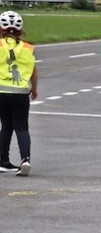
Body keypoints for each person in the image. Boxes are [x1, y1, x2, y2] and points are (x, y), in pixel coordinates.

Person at [0, 10, 37, 176]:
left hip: (1, 92)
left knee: (6, 127)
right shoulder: (28, 47)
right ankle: (25, 159)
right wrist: (34, 89)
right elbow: (34, 72)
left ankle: (3, 161)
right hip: (21, 93)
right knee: (22, 127)